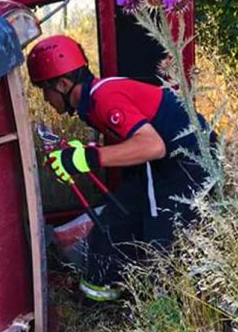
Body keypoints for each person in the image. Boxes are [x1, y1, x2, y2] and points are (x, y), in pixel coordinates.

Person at [28, 34, 213, 302]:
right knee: (114, 222)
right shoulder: (94, 99)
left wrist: (86, 160)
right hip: (164, 162)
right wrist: (81, 153)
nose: (45, 99)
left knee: (162, 243)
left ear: (64, 84)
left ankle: (174, 308)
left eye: (44, 90)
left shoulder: (104, 98)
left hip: (183, 162)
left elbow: (152, 146)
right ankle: (104, 298)